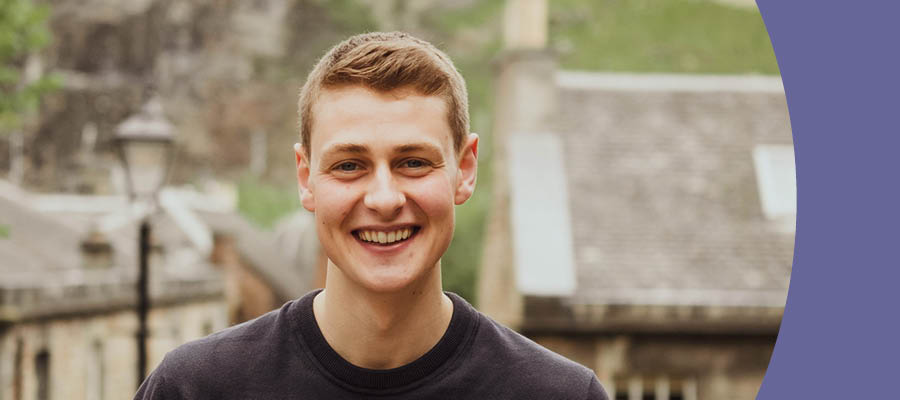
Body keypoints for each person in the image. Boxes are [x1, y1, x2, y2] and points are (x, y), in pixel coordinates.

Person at [134, 31, 608, 400]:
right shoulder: (196, 388)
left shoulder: (560, 394)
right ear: (306, 178)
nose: (383, 198)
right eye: (349, 165)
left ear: (464, 170)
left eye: (413, 162)